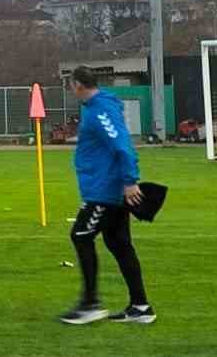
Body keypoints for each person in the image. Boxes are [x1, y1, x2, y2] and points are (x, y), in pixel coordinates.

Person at [61, 66, 154, 325]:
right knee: (119, 244)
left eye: (70, 85)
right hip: (105, 187)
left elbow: (121, 143)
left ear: (78, 85)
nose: (70, 89)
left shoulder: (100, 109)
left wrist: (129, 180)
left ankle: (90, 304)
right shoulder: (95, 108)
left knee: (80, 235)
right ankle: (141, 306)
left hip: (105, 191)